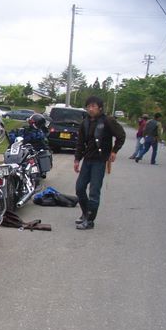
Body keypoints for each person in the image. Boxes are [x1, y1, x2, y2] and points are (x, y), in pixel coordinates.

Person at [74, 96, 126, 230]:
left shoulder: (108, 120)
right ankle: (85, 213)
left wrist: (114, 151)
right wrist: (77, 159)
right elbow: (80, 143)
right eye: (88, 106)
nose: (90, 109)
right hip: (87, 160)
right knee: (79, 188)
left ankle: (90, 221)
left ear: (100, 108)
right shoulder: (85, 123)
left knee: (94, 191)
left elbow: (121, 135)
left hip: (99, 161)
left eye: (93, 106)